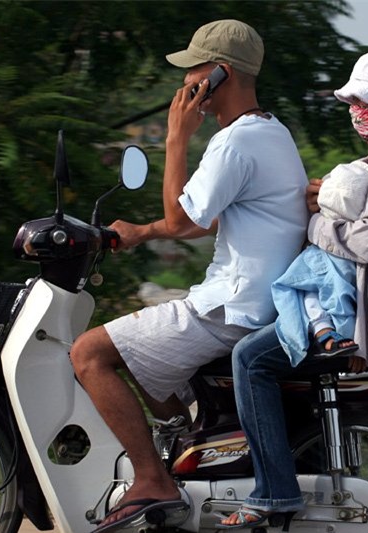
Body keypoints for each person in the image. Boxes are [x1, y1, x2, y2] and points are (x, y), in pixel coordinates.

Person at [69, 19, 309, 531]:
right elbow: (210, 219)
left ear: (220, 73)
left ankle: (152, 481)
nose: (185, 83)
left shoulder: (233, 143)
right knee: (140, 347)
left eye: (193, 71)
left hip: (233, 306)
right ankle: (188, 449)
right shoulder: (272, 132)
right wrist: (141, 232)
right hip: (259, 300)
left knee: (89, 352)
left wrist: (177, 138)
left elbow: (183, 221)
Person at [219, 48, 368, 529]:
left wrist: (318, 224)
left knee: (250, 359)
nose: (355, 112)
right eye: (353, 102)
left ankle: (275, 491)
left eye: (364, 102)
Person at [271, 160, 368, 366]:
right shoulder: (357, 245)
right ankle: (323, 331)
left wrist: (354, 344)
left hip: (337, 332)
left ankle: (324, 333)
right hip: (348, 323)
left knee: (246, 357)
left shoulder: (328, 249)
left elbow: (338, 298)